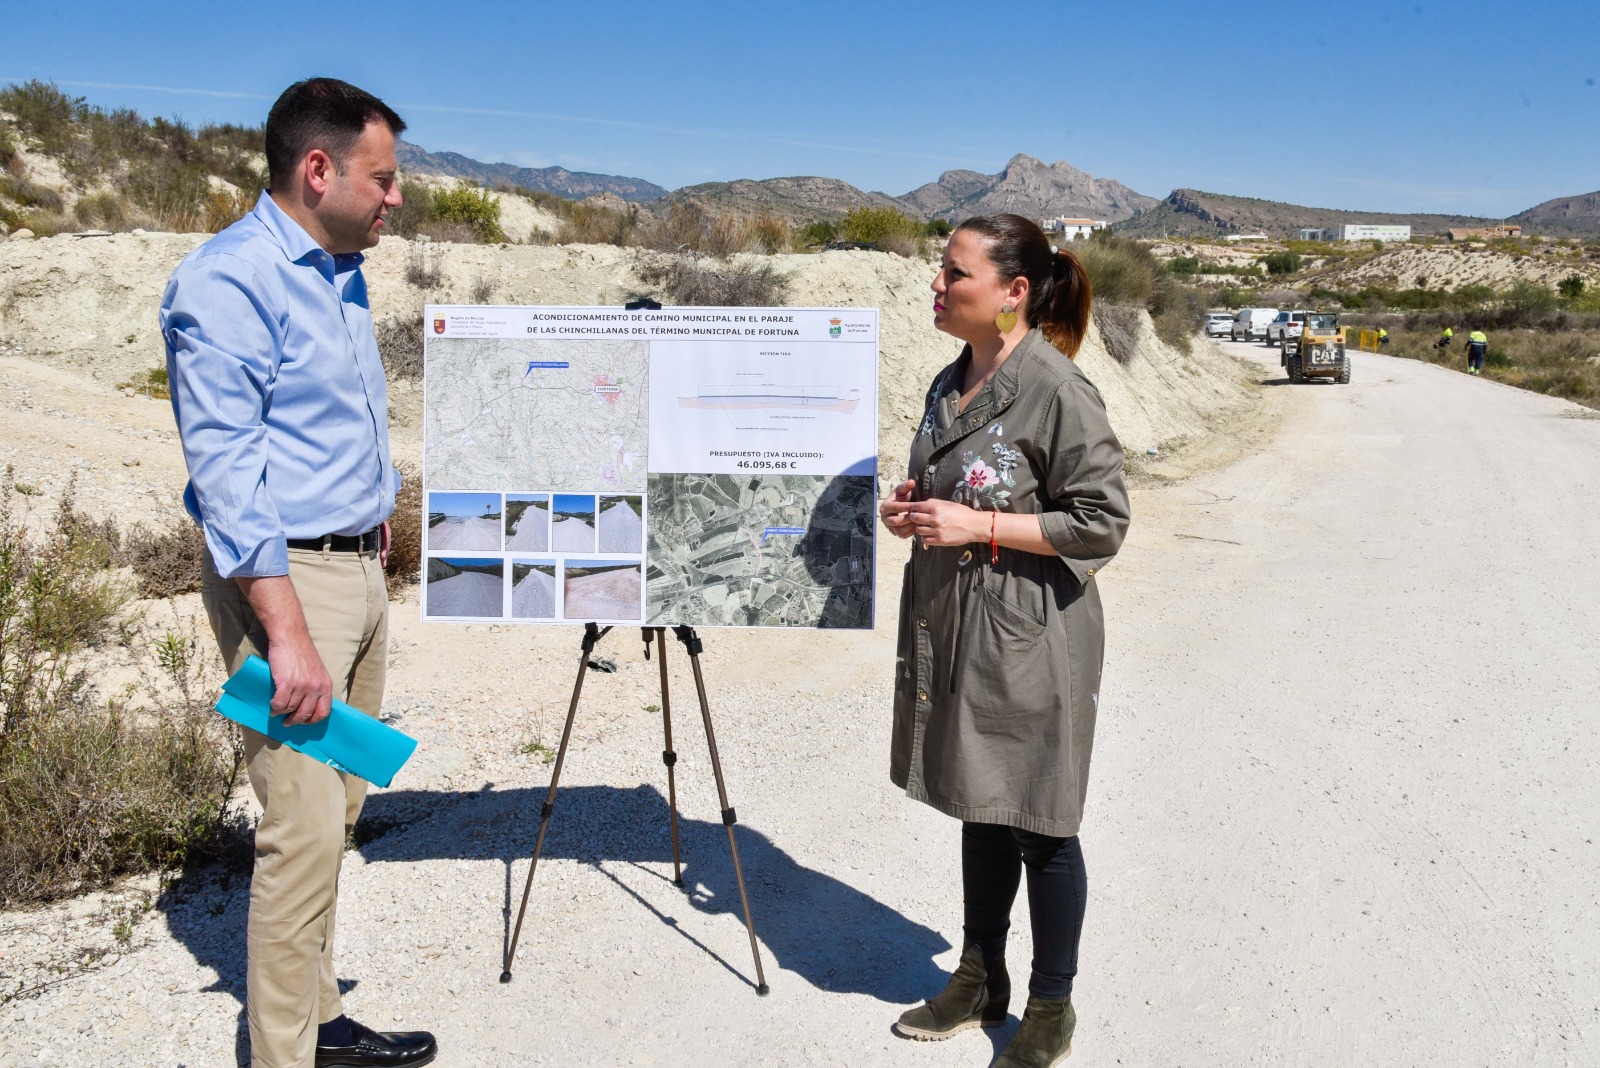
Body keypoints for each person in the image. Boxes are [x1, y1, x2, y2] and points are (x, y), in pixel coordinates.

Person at [161, 78, 437, 1068]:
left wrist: (375, 514)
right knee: (301, 828)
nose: (394, 197)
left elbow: (331, 425)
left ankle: (319, 1025)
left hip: (355, 570)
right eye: (383, 177)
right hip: (285, 586)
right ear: (318, 171)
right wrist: (284, 631)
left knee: (343, 809)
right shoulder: (227, 281)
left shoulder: (338, 271)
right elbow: (228, 470)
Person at [879, 214, 1129, 1067]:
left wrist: (976, 521)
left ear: (1014, 293)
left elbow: (1101, 523)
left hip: (1030, 632)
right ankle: (982, 975)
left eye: (955, 274)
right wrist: (919, 503)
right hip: (954, 622)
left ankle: (1051, 1008)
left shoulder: (1056, 389)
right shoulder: (947, 381)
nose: (937, 286)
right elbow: (962, 488)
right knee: (978, 803)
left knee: (1040, 821)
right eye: (940, 272)